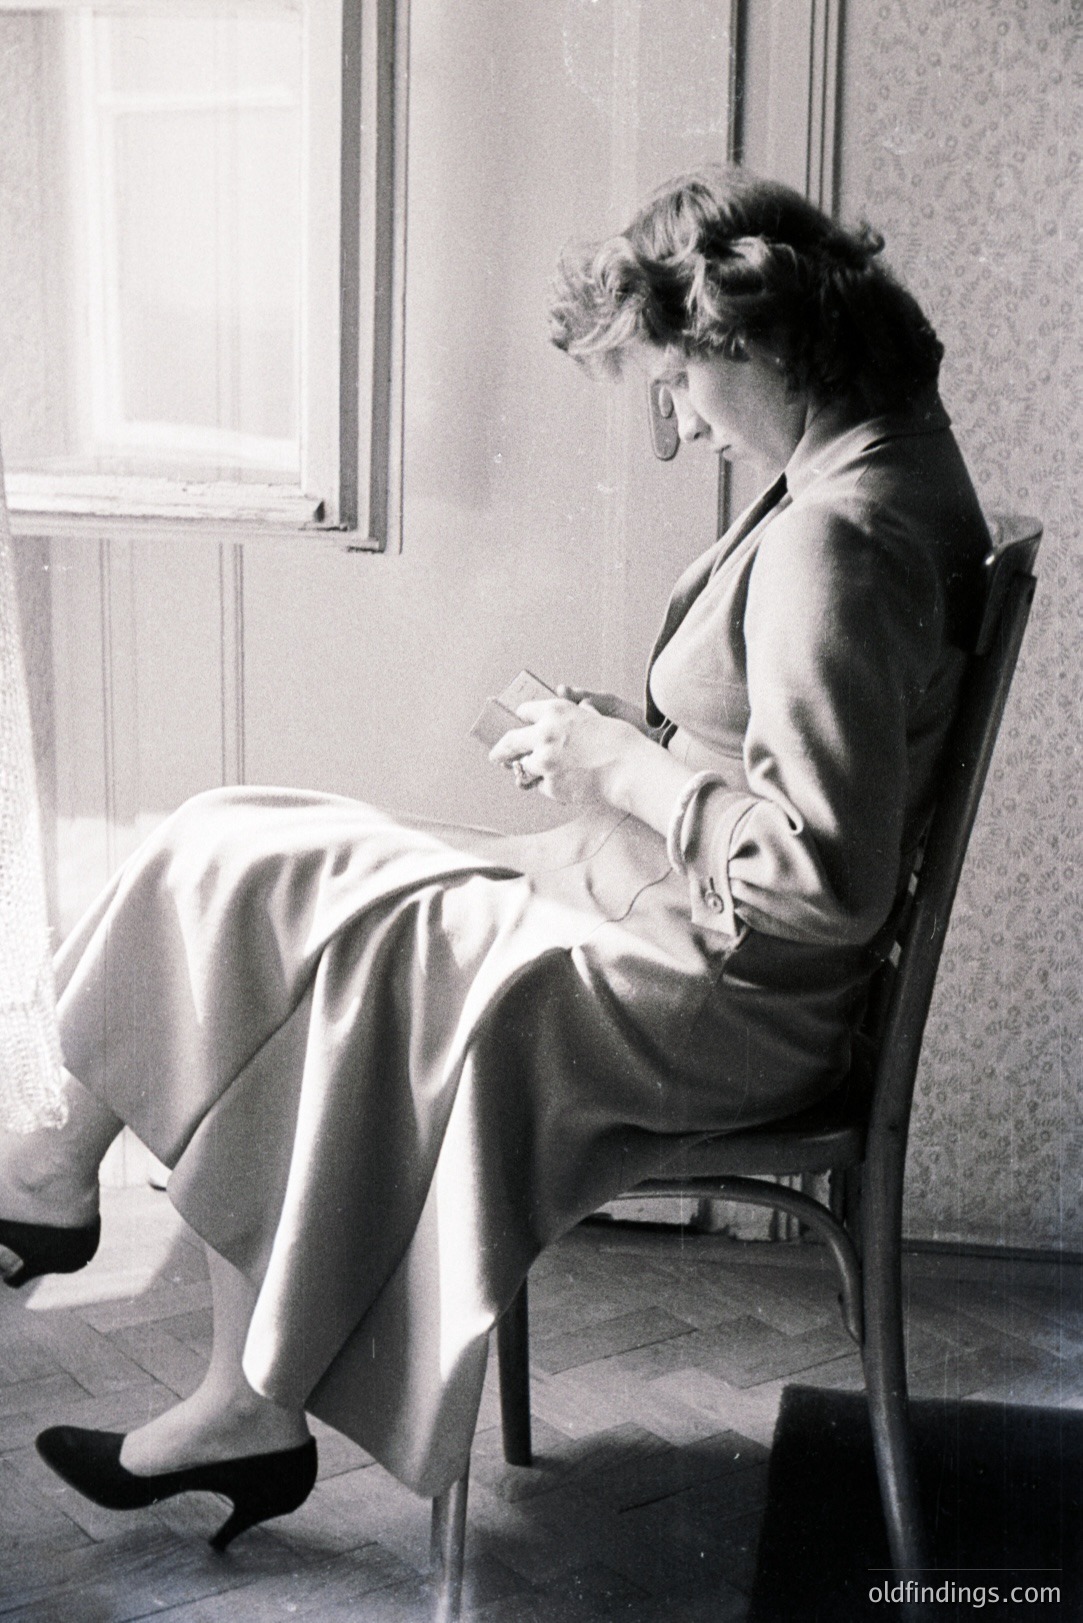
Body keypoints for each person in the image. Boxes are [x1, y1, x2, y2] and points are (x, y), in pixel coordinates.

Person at [0, 167, 990, 1543]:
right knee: (242, 834)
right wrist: (620, 750)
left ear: (744, 346)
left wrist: (622, 766)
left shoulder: (842, 530)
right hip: (646, 903)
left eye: (670, 383)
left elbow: (824, 887)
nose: (673, 424)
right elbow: (781, 760)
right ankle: (71, 1194)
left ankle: (217, 1365)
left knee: (329, 947)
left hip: (708, 984)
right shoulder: (867, 461)